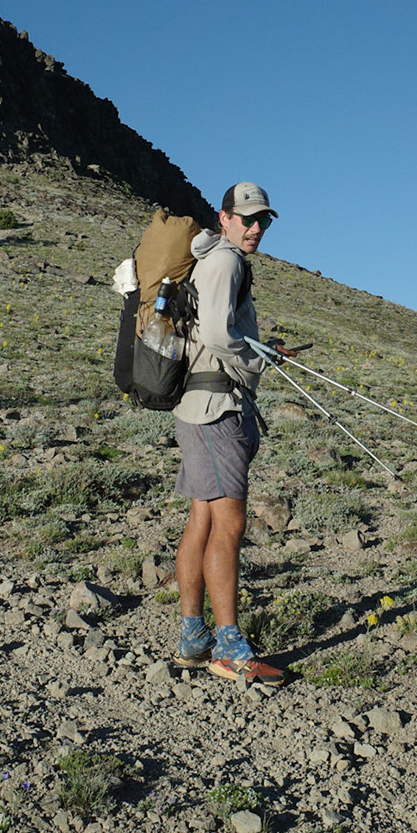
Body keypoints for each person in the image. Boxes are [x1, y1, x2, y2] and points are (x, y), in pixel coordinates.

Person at [172, 181, 286, 685]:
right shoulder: (227, 261)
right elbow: (219, 335)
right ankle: (229, 647)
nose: (256, 227)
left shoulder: (210, 259)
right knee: (229, 526)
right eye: (247, 218)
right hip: (218, 411)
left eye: (263, 220)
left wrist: (263, 348)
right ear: (224, 218)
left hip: (198, 406)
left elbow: (215, 329)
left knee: (202, 519)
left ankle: (193, 638)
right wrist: (253, 361)